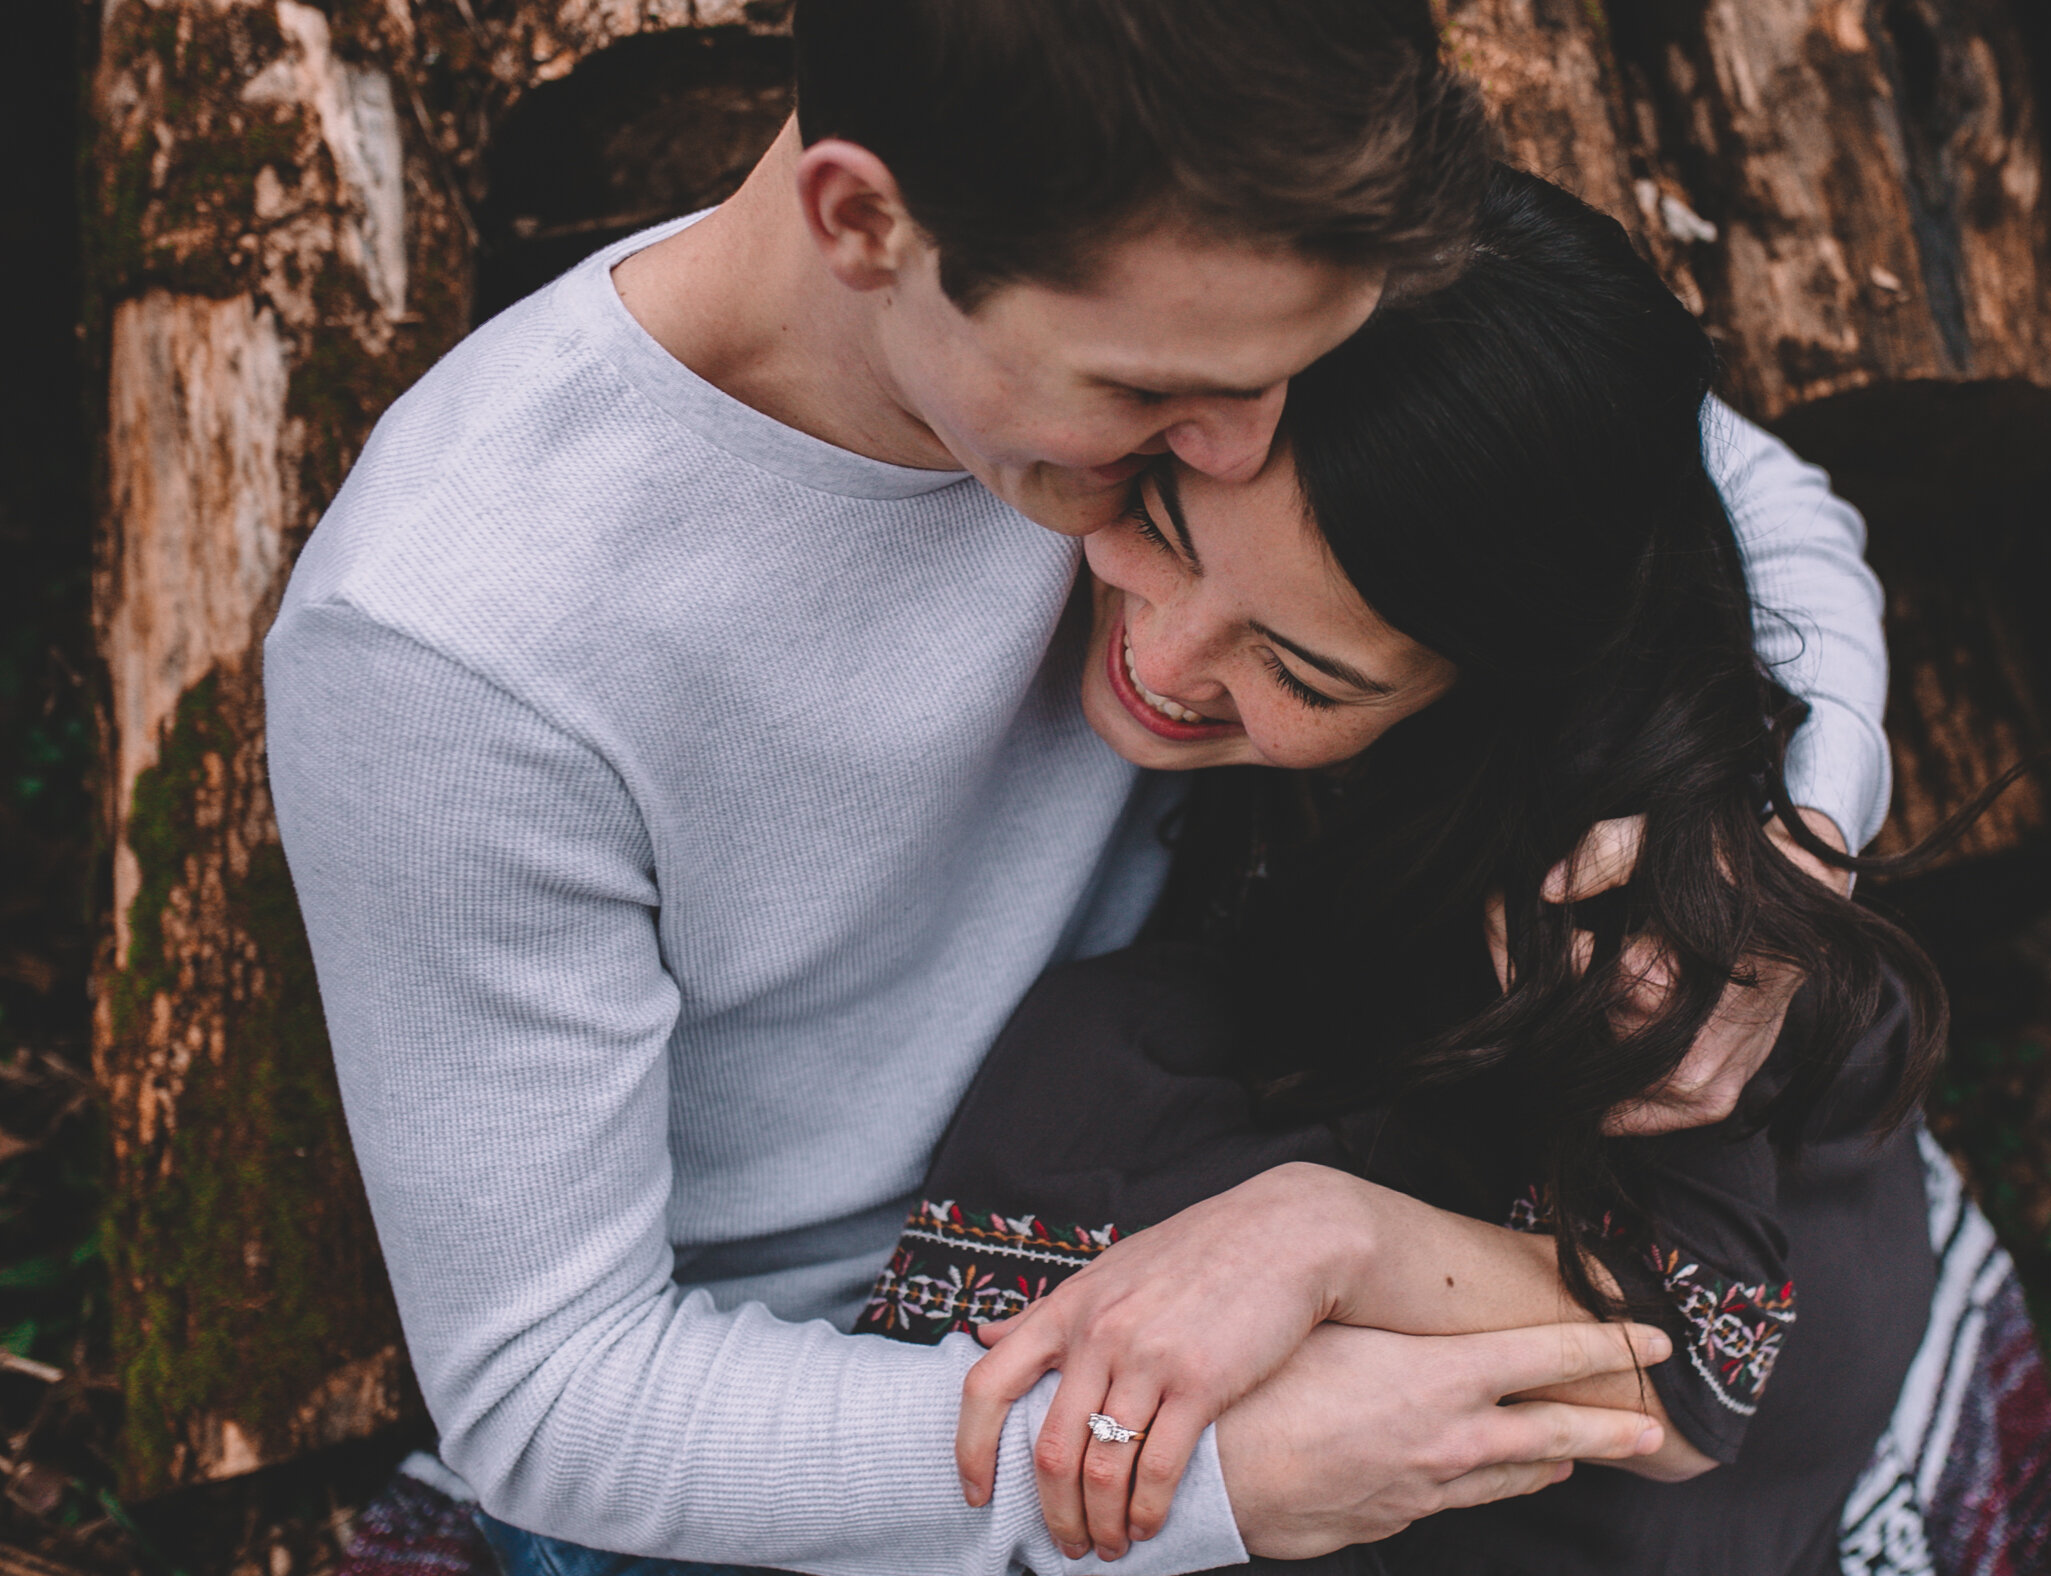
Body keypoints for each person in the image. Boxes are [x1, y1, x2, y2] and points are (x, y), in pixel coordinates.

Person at [263, 5, 1894, 1572]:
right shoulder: (457, 642)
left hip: (1195, 1108)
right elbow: (552, 1399)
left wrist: (1774, 829)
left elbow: (1708, 471)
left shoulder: (1200, 268)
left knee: (1756, 1285)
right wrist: (1195, 1481)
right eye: (1157, 403)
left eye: (1292, 369)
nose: (1250, 443)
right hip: (837, 1400)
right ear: (864, 223)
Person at [892, 166, 1946, 1574]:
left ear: (1477, 684)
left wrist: (1333, 1238)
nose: (1160, 660)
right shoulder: (1294, 359)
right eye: (1164, 528)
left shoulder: (1605, 888)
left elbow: (1703, 1363)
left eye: (1299, 667)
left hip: (1631, 1451)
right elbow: (1703, 439)